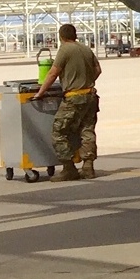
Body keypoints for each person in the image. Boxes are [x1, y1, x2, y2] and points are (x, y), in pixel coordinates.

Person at [34, 23, 101, 180]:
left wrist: (40, 93)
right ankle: (88, 167)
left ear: (61, 36)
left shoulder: (64, 49)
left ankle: (68, 168)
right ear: (75, 35)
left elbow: (53, 73)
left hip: (74, 98)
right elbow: (98, 70)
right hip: (90, 96)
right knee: (87, 131)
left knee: (59, 132)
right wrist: (86, 81)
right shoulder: (85, 48)